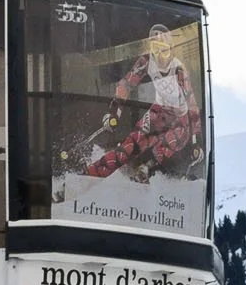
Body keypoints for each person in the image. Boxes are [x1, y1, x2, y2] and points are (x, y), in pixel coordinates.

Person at [85, 24, 202, 183]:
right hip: (158, 111)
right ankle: (88, 175)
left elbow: (192, 105)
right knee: (128, 147)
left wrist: (196, 142)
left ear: (171, 48)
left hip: (179, 118)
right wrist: (114, 112)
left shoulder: (178, 69)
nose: (160, 55)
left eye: (164, 49)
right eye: (156, 47)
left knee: (169, 140)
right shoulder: (146, 61)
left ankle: (146, 170)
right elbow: (126, 84)